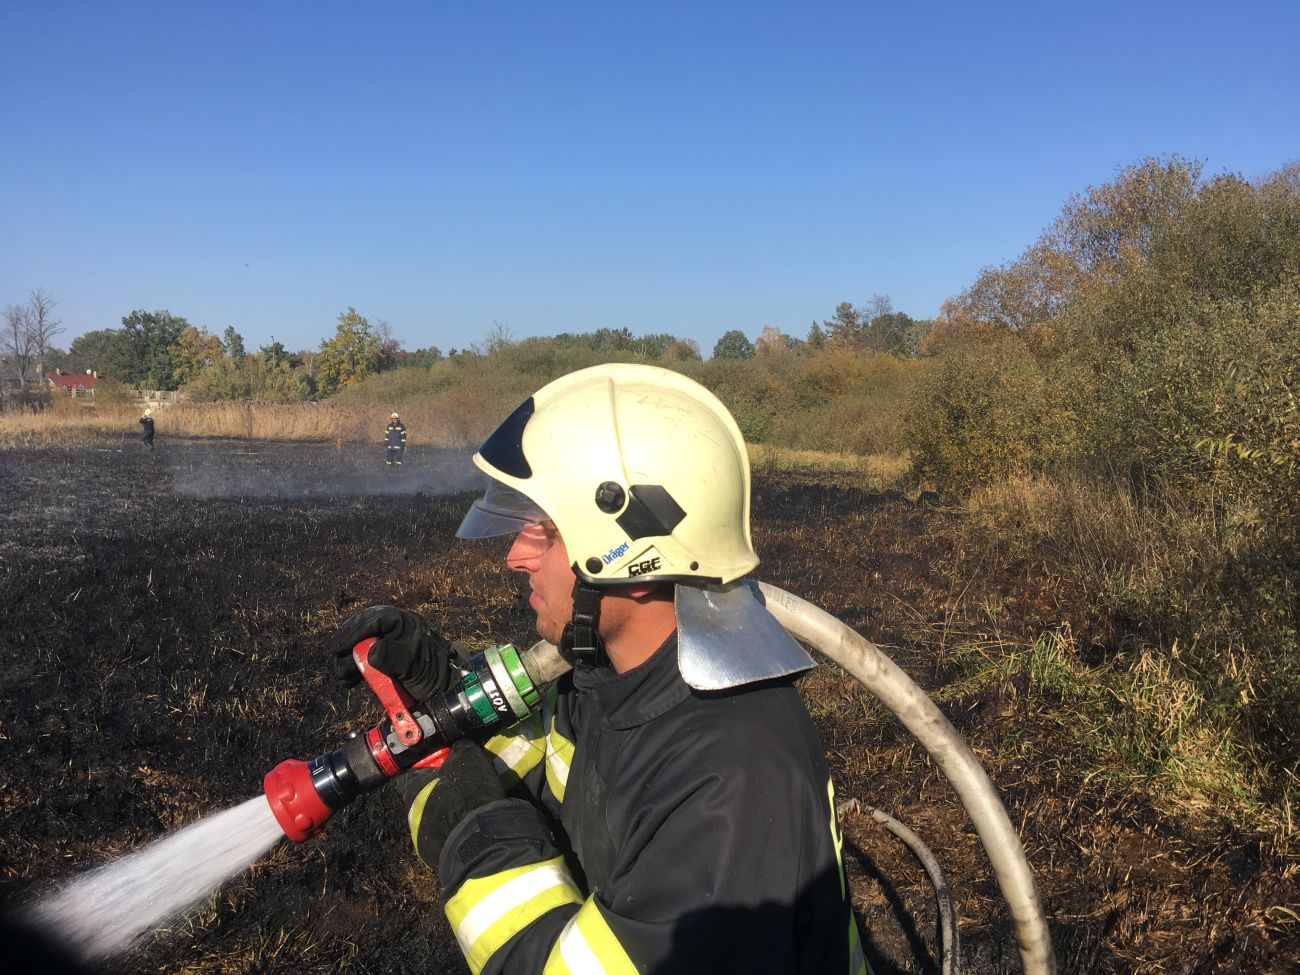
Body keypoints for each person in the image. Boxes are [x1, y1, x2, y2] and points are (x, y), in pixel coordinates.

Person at [328, 364, 867, 974]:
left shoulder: (732, 782)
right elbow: (565, 780)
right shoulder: (614, 677)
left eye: (546, 533)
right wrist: (443, 692)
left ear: (626, 552)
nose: (515, 556)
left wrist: (477, 836)